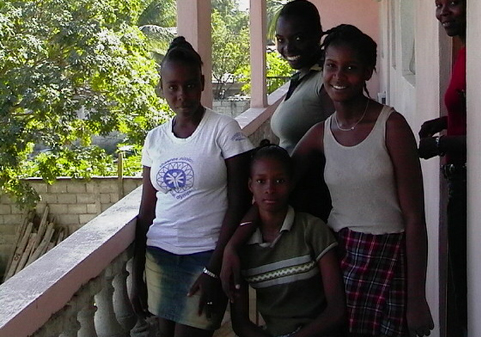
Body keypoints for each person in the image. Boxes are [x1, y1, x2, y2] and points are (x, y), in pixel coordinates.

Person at [291, 24, 434, 337]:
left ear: (369, 72)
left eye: (351, 68)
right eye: (331, 66)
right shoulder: (321, 134)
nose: (339, 77)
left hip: (388, 258)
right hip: (341, 258)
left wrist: (416, 299)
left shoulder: (391, 127)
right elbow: (276, 183)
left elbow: (414, 218)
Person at [130, 36, 254, 337]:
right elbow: (147, 210)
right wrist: (137, 274)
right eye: (172, 87)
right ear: (161, 88)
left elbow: (240, 202)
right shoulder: (155, 139)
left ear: (201, 83)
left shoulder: (223, 129)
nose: (181, 94)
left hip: (206, 254)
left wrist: (215, 266)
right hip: (159, 255)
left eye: (189, 85)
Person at [230, 142, 346, 337]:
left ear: (291, 183)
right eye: (261, 181)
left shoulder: (312, 229)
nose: (270, 189)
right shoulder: (242, 245)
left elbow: (336, 311)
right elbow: (240, 323)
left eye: (279, 181)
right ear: (250, 185)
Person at [417, 0, 467, 334]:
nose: (443, 12)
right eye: (438, 5)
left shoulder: (479, 51)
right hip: (456, 177)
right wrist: (441, 122)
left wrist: (441, 144)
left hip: (466, 181)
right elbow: (467, 111)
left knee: (462, 279)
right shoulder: (463, 52)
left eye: (452, 3)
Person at [270, 0, 334, 221]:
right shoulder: (302, 77)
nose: (287, 48)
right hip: (292, 198)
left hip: (313, 202)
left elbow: (337, 144)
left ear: (318, 35)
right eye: (281, 40)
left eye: (298, 38)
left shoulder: (326, 83)